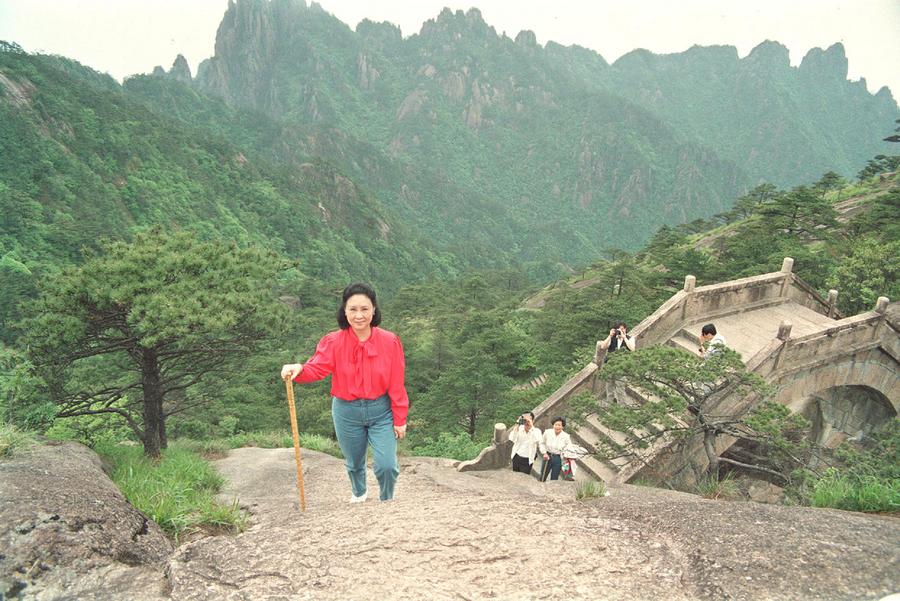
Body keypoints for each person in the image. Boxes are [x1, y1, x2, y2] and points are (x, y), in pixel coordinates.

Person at [281, 283, 408, 503]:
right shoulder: (333, 341)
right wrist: (299, 369)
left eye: (365, 309)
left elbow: (396, 382)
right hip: (346, 411)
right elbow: (317, 367)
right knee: (354, 461)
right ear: (344, 311)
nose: (359, 315)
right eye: (353, 309)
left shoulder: (389, 341)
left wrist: (400, 418)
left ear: (374, 310)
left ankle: (387, 501)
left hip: (381, 410)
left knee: (387, 465)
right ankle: (359, 494)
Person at [540, 417, 573, 481]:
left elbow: (569, 448)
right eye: (556, 425)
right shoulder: (547, 432)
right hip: (547, 456)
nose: (557, 427)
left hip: (558, 458)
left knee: (554, 478)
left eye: (559, 425)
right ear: (553, 425)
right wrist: (544, 453)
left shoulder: (566, 436)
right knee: (542, 476)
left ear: (562, 427)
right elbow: (542, 443)